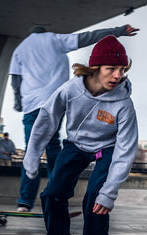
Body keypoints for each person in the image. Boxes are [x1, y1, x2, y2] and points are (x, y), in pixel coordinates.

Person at [24, 36, 138, 235]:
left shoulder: (124, 105)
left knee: (96, 200)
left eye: (122, 69)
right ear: (95, 68)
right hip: (76, 145)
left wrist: (109, 193)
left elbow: (126, 149)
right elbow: (46, 120)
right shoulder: (70, 90)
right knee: (52, 193)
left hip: (108, 149)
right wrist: (32, 156)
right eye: (111, 69)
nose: (117, 76)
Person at [10, 24, 139, 212]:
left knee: (32, 147)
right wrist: (118, 31)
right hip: (58, 97)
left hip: (32, 103)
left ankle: (26, 201)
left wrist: (18, 101)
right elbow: (89, 37)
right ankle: (58, 190)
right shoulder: (55, 39)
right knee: (53, 147)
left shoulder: (19, 49)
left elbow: (15, 78)